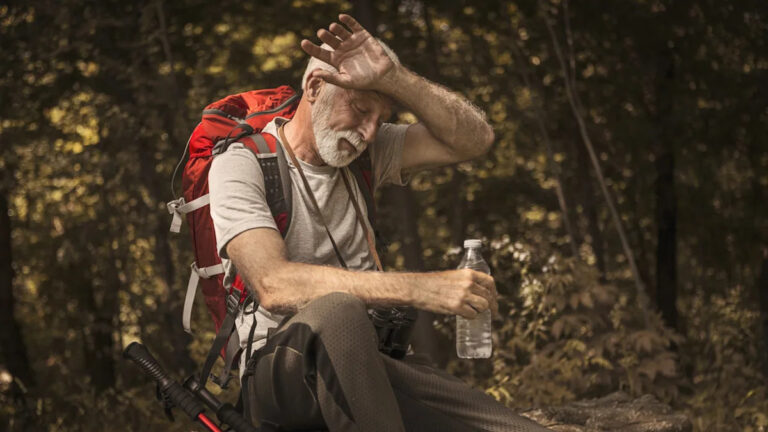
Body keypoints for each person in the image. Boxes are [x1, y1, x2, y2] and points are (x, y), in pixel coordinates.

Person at [208, 13, 551, 432]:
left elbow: (474, 140)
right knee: (338, 311)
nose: (370, 132)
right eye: (360, 109)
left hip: (369, 363)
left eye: (380, 117)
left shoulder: (365, 155)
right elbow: (273, 285)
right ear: (315, 87)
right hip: (281, 376)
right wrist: (423, 288)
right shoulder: (240, 164)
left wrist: (397, 79)